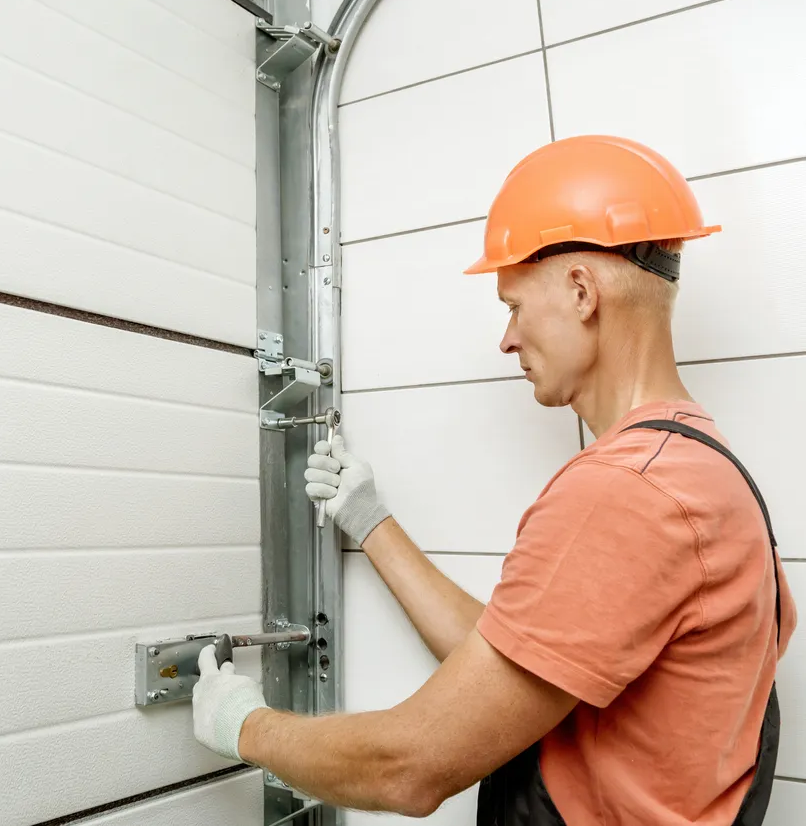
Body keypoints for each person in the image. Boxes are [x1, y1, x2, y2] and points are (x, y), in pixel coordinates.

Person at [190, 135, 797, 825]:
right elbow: (523, 663)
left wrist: (245, 724)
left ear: (580, 291)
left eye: (512, 304)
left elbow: (408, 766)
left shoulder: (625, 491)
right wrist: (371, 521)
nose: (506, 339)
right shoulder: (707, 470)